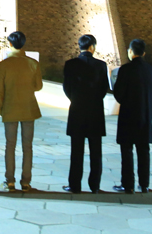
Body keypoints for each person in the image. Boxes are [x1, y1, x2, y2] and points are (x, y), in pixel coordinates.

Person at [0, 31, 43, 192]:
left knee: (10, 146)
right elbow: (38, 86)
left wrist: (2, 110)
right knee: (27, 146)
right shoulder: (33, 63)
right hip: (29, 109)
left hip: (10, 109)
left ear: (10, 44)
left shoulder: (4, 65)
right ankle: (26, 182)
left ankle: (10, 181)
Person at [62, 34, 109, 193]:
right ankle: (94, 185)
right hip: (95, 112)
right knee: (96, 152)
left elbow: (66, 88)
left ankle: (74, 185)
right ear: (93, 47)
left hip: (77, 111)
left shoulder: (70, 64)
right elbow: (104, 89)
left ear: (79, 46)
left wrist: (75, 99)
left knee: (76, 151)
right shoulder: (101, 65)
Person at [112, 38, 152, 194]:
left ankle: (127, 184)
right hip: (145, 115)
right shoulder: (150, 69)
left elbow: (118, 93)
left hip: (128, 116)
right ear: (143, 53)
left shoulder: (125, 69)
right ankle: (144, 184)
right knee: (144, 150)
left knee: (127, 151)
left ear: (130, 51)